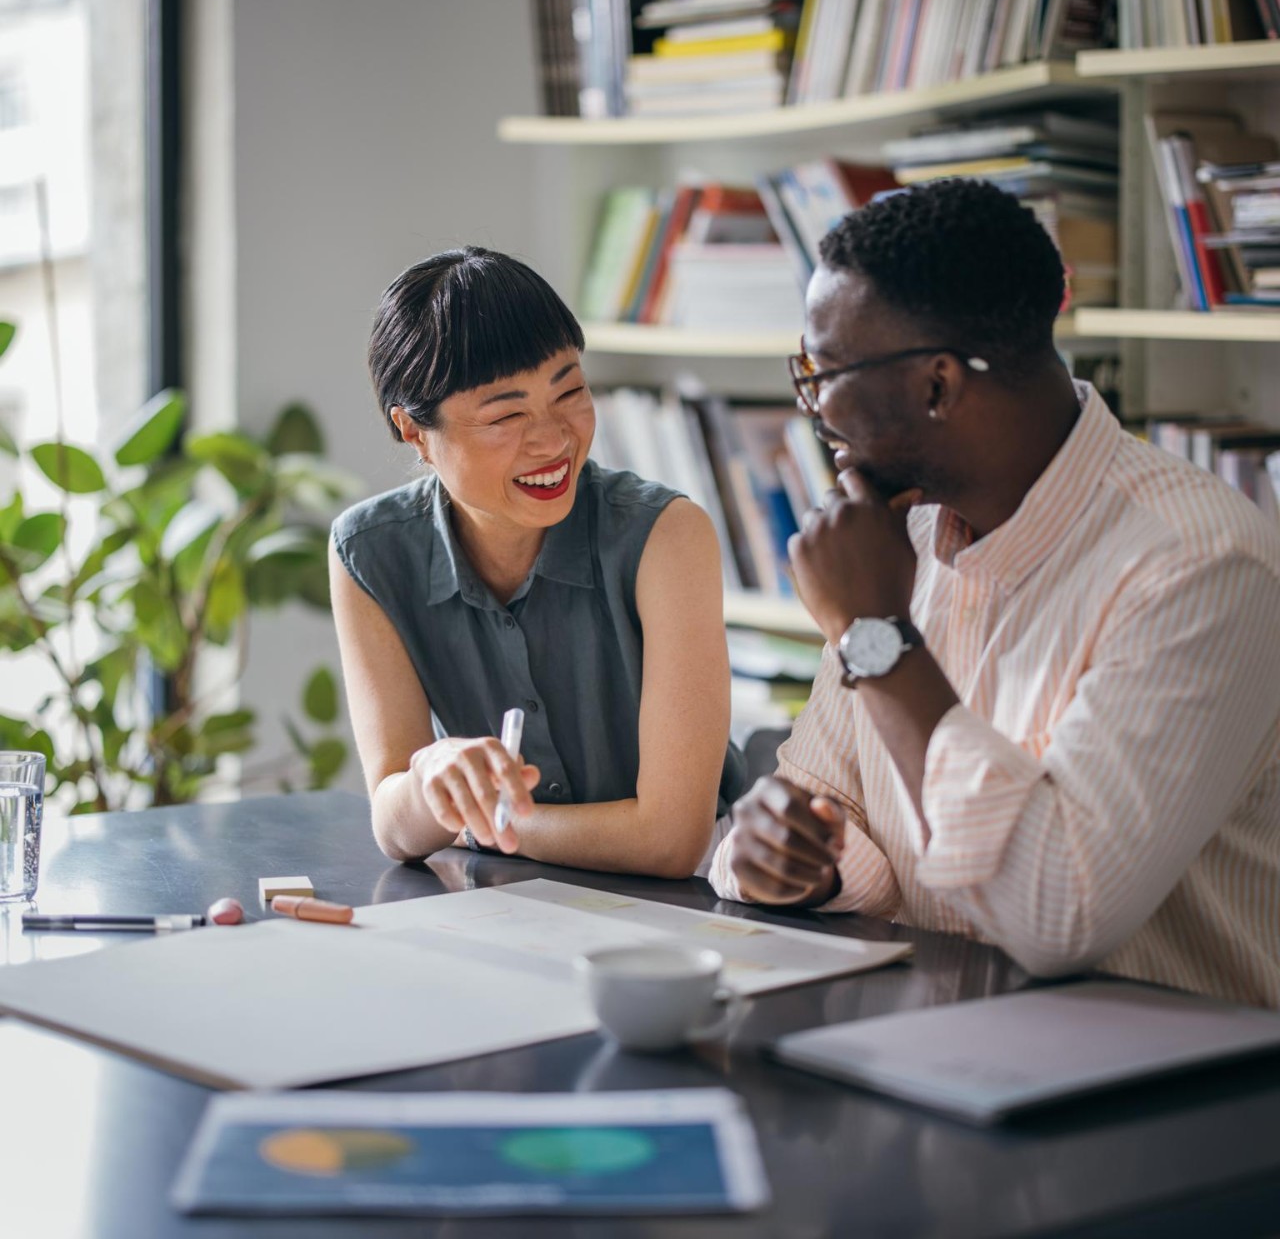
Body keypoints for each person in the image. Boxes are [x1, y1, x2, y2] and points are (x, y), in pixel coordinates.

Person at [711, 179, 1280, 1008]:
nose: (816, 411)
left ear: (938, 386)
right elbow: (833, 810)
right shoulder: (899, 541)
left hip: (1170, 1098)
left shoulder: (1201, 567)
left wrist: (876, 633)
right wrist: (794, 859)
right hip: (936, 1044)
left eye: (824, 373)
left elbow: (1058, 913)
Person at [331, 246, 744, 877]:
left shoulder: (666, 534)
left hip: (699, 899)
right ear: (414, 432)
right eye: (506, 415)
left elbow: (670, 840)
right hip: (511, 905)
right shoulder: (368, 550)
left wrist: (477, 825)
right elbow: (393, 822)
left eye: (570, 391)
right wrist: (426, 782)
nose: (553, 440)